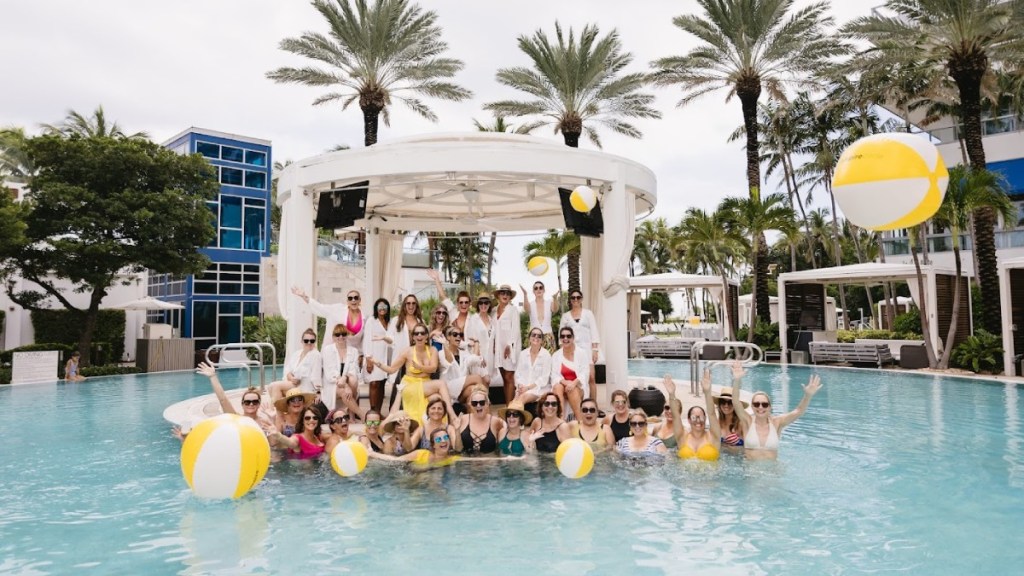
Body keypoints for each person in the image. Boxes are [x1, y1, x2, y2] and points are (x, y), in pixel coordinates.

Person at [367, 322, 453, 426]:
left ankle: (436, 426)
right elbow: (391, 369)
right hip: (409, 385)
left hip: (426, 385)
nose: (419, 335)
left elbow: (433, 368)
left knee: (437, 398)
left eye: (422, 333)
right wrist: (377, 362)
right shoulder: (407, 351)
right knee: (441, 384)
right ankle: (453, 416)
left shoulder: (432, 350)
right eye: (416, 333)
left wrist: (420, 367)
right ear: (413, 337)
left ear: (427, 336)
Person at [732, 364, 822, 460]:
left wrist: (808, 395)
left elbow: (798, 411)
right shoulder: (747, 421)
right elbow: (735, 401)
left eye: (764, 404)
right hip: (751, 468)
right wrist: (737, 380)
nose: (760, 407)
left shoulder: (777, 422)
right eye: (756, 404)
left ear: (770, 407)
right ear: (752, 407)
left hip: (773, 469)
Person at [664, 371, 721, 461]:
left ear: (705, 419)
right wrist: (672, 394)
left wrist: (707, 392)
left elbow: (712, 413)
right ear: (689, 420)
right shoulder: (682, 436)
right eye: (694, 417)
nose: (698, 421)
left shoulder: (713, 436)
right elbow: (675, 416)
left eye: (701, 417)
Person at [196, 362, 272, 428]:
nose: (251, 404)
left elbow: (273, 439)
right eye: (247, 402)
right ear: (242, 404)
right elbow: (223, 400)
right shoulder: (236, 418)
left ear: (259, 404)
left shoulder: (264, 422)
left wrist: (273, 418)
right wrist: (213, 376)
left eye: (255, 402)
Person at [291, 286, 366, 353]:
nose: (353, 300)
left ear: (359, 300)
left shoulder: (364, 318)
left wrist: (362, 355)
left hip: (352, 355)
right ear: (347, 301)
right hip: (333, 351)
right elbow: (320, 307)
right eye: (350, 298)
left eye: (356, 298)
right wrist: (304, 297)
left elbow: (364, 340)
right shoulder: (337, 309)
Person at [559, 289, 601, 402]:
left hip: (587, 350)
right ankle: (580, 402)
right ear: (570, 300)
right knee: (577, 377)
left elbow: (594, 331)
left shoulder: (588, 313)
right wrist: (563, 353)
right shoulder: (565, 316)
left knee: (591, 377)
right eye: (573, 297)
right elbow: (561, 336)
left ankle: (593, 404)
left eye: (578, 297)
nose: (575, 299)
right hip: (572, 352)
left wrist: (595, 350)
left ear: (581, 299)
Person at [386, 294, 425, 410]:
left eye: (413, 303)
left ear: (416, 306)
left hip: (415, 359)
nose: (411, 306)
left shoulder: (420, 321)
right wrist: (385, 338)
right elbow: (390, 338)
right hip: (401, 358)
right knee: (398, 387)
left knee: (413, 388)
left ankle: (411, 412)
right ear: (404, 305)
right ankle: (394, 413)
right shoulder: (396, 321)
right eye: (408, 303)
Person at [268, 328, 322, 405]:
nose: (309, 343)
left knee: (275, 386)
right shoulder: (297, 354)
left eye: (312, 341)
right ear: (302, 341)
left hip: (306, 387)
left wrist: (318, 392)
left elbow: (316, 376)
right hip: (294, 384)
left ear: (315, 342)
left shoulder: (316, 355)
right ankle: (279, 409)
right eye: (306, 340)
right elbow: (288, 370)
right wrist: (291, 378)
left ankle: (276, 410)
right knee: (271, 387)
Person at [367, 427, 462, 469]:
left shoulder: (453, 459)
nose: (443, 441)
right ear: (433, 445)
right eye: (438, 439)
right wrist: (372, 454)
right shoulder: (420, 454)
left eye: (446, 437)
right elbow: (395, 460)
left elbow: (470, 461)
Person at [438, 326, 487, 405]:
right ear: (448, 337)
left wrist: (476, 343)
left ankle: (471, 410)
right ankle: (485, 402)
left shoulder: (463, 353)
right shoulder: (441, 353)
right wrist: (445, 345)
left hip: (460, 389)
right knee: (477, 377)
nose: (458, 336)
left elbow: (474, 359)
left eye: (460, 335)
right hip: (448, 387)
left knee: (473, 390)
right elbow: (450, 361)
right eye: (455, 334)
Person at [550, 327, 590, 421]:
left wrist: (573, 383)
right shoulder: (556, 355)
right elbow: (554, 375)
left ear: (573, 338)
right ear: (560, 338)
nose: (565, 338)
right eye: (562, 336)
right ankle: (561, 420)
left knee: (572, 390)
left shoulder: (581, 353)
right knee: (557, 387)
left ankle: (580, 421)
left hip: (578, 387)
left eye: (568, 336)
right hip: (563, 386)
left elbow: (585, 372)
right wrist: (566, 382)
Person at [321, 323, 361, 415]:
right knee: (342, 389)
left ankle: (351, 414)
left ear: (347, 335)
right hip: (332, 384)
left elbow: (354, 370)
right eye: (337, 334)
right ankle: (362, 415)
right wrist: (346, 386)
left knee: (353, 380)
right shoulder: (328, 350)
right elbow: (330, 374)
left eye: (343, 334)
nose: (341, 337)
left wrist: (345, 378)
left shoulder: (353, 351)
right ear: (333, 337)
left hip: (348, 383)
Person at [363, 298, 393, 413]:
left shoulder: (389, 322)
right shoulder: (371, 321)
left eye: (385, 306)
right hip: (374, 357)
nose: (382, 309)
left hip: (385, 358)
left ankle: (378, 413)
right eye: (380, 306)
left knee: (381, 384)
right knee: (374, 383)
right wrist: (368, 360)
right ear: (376, 308)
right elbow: (367, 340)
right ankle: (373, 413)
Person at [456, 386, 505, 455]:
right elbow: (457, 449)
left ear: (487, 404)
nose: (478, 406)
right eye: (474, 403)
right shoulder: (463, 419)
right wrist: (457, 430)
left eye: (482, 402)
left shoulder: (496, 421)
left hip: (489, 460)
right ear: (470, 405)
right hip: (466, 460)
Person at [493, 284, 522, 404]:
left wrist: (509, 346)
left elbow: (516, 330)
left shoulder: (513, 310)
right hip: (498, 349)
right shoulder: (494, 311)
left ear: (510, 297)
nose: (505, 295)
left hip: (510, 349)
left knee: (509, 377)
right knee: (504, 378)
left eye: (507, 293)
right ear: (498, 295)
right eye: (502, 293)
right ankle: (507, 405)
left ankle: (510, 408)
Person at [465, 292, 499, 387]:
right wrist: (479, 357)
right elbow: (471, 340)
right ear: (478, 305)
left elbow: (493, 338)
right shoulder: (473, 319)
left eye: (486, 303)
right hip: (478, 357)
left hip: (490, 357)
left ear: (489, 304)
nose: (483, 305)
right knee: (481, 382)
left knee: (487, 384)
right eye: (481, 303)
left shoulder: (491, 320)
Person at [513, 328, 552, 405]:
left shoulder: (546, 355)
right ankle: (512, 411)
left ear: (542, 341)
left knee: (522, 397)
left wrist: (527, 388)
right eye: (533, 335)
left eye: (539, 336)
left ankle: (510, 411)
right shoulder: (523, 354)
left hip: (538, 389)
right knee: (517, 396)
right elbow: (518, 374)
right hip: (523, 388)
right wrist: (520, 386)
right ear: (529, 338)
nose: (536, 337)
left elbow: (544, 379)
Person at [427, 269, 472, 333]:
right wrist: (436, 279)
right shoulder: (453, 313)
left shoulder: (473, 319)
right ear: (457, 304)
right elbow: (443, 296)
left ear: (469, 304)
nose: (463, 304)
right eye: (461, 302)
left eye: (466, 302)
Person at [714, 378, 748, 452]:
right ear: (719, 404)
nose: (726, 405)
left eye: (730, 402)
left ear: (735, 404)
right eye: (723, 402)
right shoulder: (718, 422)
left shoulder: (741, 423)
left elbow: (749, 448)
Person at [520, 281, 558, 346]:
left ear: (544, 290)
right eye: (536, 288)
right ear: (533, 291)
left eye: (541, 287)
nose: (538, 289)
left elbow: (555, 309)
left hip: (548, 336)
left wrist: (555, 298)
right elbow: (526, 309)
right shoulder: (530, 304)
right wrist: (525, 294)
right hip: (534, 336)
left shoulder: (549, 303)